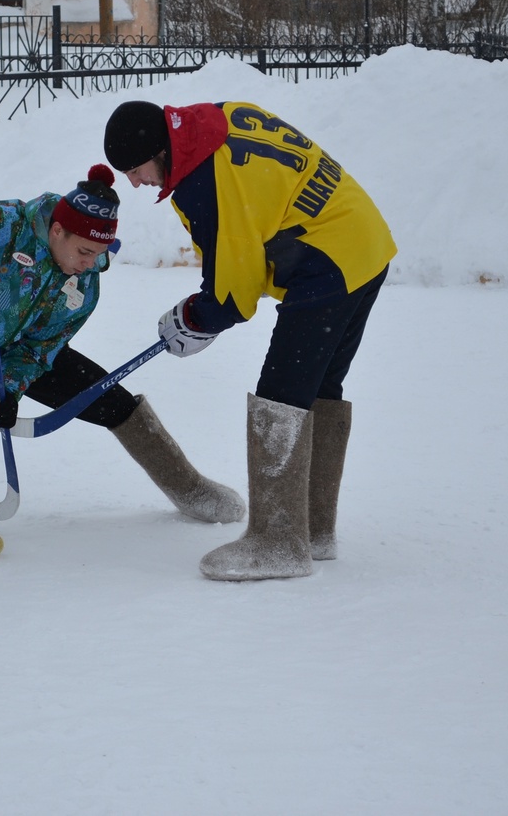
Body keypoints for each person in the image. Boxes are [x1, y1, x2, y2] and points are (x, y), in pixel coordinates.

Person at [0, 164, 245, 556]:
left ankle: (189, 486)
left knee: (114, 402)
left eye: (99, 254)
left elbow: (41, 348)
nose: (90, 263)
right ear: (57, 231)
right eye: (84, 252)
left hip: (21, 349)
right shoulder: (3, 222)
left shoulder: (86, 283)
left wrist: (8, 386)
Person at [103, 100, 397, 581]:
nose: (136, 183)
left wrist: (194, 317)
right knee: (320, 385)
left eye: (136, 170)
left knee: (281, 392)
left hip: (327, 260)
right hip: (364, 242)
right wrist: (204, 310)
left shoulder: (202, 179)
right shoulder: (213, 122)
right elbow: (253, 228)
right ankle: (312, 529)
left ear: (160, 150)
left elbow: (234, 294)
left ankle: (277, 542)